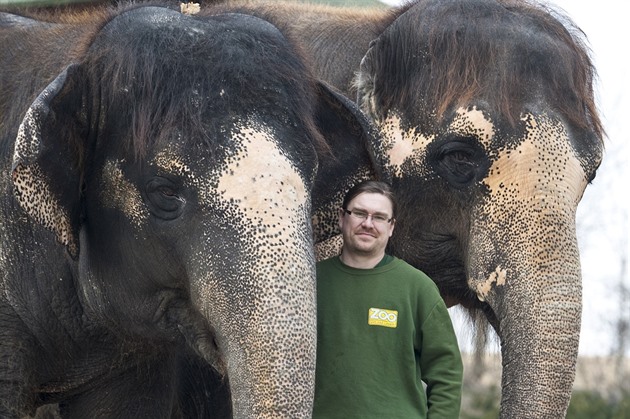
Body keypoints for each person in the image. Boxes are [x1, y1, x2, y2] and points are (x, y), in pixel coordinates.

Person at [313, 180, 463, 419]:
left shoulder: (417, 287)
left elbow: (446, 373)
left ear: (391, 226)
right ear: (342, 217)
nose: (368, 224)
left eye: (379, 217)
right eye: (359, 213)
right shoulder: (311, 283)